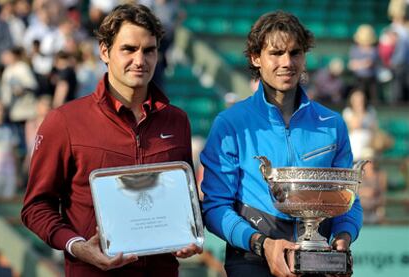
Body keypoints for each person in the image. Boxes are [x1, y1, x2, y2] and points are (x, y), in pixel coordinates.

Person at [21, 4, 202, 276]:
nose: (140, 60)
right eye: (129, 49)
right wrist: (77, 245)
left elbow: (183, 198)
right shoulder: (64, 121)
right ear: (104, 51)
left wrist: (187, 232)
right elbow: (36, 207)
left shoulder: (177, 121)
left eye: (149, 50)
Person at [200, 11, 363, 277]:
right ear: (256, 58)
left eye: (295, 53)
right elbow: (216, 207)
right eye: (275, 53)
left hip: (317, 254)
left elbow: (348, 198)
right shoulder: (230, 124)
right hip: (252, 258)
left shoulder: (332, 124)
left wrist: (343, 237)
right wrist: (262, 245)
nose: (287, 62)